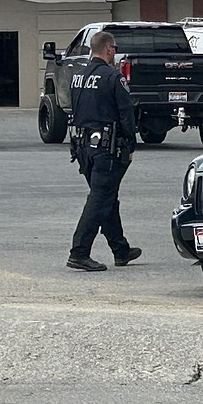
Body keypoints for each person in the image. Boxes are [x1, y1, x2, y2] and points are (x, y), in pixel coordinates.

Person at [66, 31, 142, 272]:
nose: (116, 51)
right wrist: (130, 144)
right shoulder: (113, 77)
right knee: (99, 199)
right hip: (107, 148)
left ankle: (120, 249)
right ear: (109, 49)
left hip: (83, 147)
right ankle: (79, 252)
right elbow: (126, 114)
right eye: (115, 48)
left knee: (107, 197)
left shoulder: (77, 76)